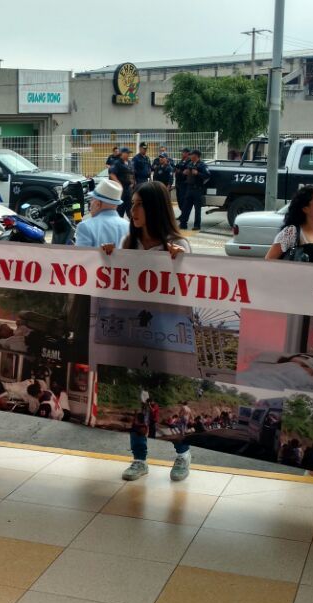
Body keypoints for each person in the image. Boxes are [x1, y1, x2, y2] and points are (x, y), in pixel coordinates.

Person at [103, 181, 192, 482]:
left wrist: (179, 261)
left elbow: (189, 290)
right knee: (136, 400)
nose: (133, 210)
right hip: (134, 337)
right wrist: (108, 256)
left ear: (155, 208)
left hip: (166, 337)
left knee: (166, 398)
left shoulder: (179, 245)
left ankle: (182, 453)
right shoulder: (129, 243)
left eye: (140, 204)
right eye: (133, 204)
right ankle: (139, 458)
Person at [73, 178, 130, 248]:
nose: (90, 203)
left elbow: (80, 257)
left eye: (92, 199)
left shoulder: (85, 227)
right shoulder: (128, 226)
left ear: (98, 204)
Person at [177, 149, 210, 231]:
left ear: (196, 156)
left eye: (192, 155)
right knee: (186, 207)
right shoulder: (190, 163)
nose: (190, 156)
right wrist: (185, 172)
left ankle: (197, 225)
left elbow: (207, 175)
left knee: (197, 209)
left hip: (197, 189)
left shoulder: (202, 165)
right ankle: (183, 224)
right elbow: (184, 173)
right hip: (189, 188)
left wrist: (198, 173)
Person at [110, 147, 134, 217]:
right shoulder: (117, 163)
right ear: (122, 153)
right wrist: (119, 183)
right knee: (120, 209)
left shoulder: (129, 162)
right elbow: (112, 174)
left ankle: (132, 226)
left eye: (129, 153)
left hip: (128, 189)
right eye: (127, 153)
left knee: (130, 209)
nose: (129, 155)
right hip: (121, 190)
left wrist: (132, 181)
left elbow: (131, 173)